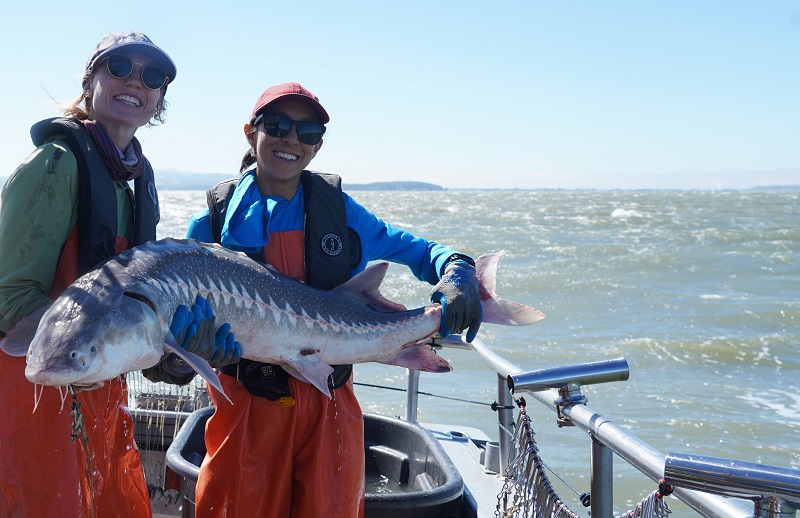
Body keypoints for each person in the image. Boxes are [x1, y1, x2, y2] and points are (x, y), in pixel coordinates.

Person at [185, 81, 482, 517]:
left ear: (318, 145)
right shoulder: (209, 223)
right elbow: (179, 319)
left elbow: (419, 251)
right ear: (251, 132)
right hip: (245, 405)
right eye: (278, 125)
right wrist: (180, 353)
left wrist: (458, 268)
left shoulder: (339, 212)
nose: (291, 140)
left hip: (328, 401)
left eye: (307, 133)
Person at [0, 32, 238, 517]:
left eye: (153, 77)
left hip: (100, 388)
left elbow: (130, 307)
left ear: (159, 101)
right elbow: (9, 294)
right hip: (34, 391)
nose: (136, 81)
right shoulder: (56, 164)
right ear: (90, 82)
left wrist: (169, 357)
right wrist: (75, 360)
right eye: (119, 67)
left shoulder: (132, 182)